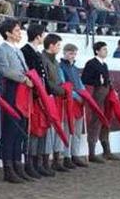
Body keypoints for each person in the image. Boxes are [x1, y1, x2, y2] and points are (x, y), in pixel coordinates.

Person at [0, 19, 33, 183]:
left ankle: (17, 164)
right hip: (12, 90)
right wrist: (24, 79)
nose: (19, 33)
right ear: (8, 33)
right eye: (16, 30)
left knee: (20, 128)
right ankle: (8, 168)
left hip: (22, 91)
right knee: (11, 128)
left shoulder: (17, 50)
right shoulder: (1, 50)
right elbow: (4, 70)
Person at [21, 24, 52, 178]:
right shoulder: (26, 51)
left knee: (42, 129)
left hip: (41, 95)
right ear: (38, 36)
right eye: (42, 35)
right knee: (34, 130)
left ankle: (37, 162)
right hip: (33, 96)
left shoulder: (36, 52)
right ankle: (30, 163)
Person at [82, 41, 118, 163]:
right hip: (96, 95)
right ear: (97, 51)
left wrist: (111, 89)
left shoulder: (104, 64)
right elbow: (85, 79)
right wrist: (98, 81)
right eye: (103, 49)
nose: (106, 51)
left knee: (106, 120)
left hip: (105, 95)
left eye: (106, 49)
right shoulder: (91, 63)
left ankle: (106, 150)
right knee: (96, 121)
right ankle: (91, 152)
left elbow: (106, 80)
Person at [41, 33, 70, 173]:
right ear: (51, 45)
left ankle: (56, 159)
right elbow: (47, 82)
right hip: (50, 97)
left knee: (58, 128)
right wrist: (61, 90)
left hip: (57, 96)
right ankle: (46, 161)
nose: (59, 48)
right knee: (49, 130)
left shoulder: (55, 61)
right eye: (58, 45)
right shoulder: (44, 59)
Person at [59, 43, 88, 168]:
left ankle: (75, 155)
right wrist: (77, 96)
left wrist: (84, 94)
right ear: (64, 53)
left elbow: (80, 84)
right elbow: (63, 84)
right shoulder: (60, 67)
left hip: (78, 102)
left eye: (74, 53)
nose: (72, 56)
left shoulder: (75, 68)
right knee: (67, 130)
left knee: (76, 131)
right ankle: (66, 156)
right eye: (70, 53)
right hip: (68, 101)